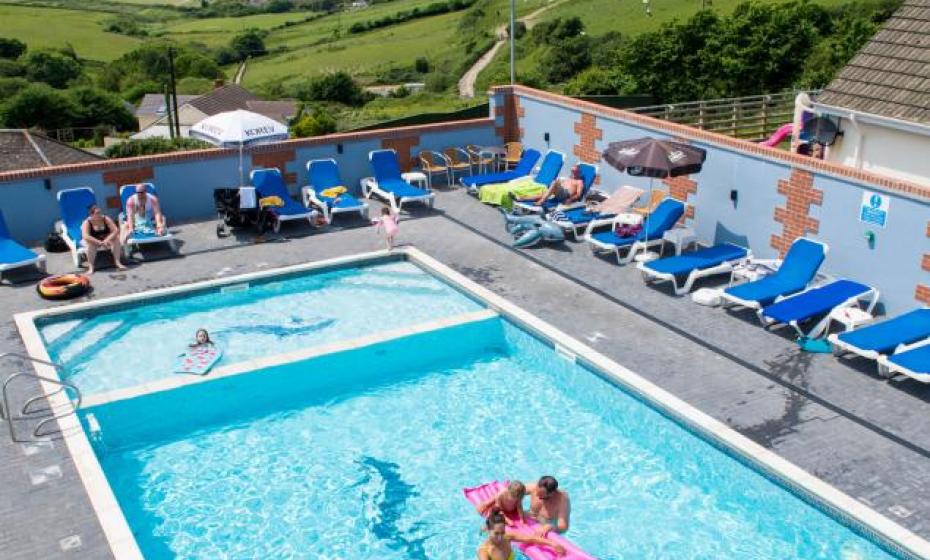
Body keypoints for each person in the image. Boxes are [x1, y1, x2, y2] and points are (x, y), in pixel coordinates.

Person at [477, 509, 565, 560]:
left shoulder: (507, 537)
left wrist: (553, 544)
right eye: (496, 533)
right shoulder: (484, 552)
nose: (500, 537)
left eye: (502, 532)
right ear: (488, 530)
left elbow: (531, 539)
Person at [81, 204, 127, 274]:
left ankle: (117, 262)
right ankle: (91, 266)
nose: (100, 215)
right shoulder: (87, 222)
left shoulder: (106, 219)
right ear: (91, 215)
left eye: (100, 212)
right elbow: (86, 236)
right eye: (97, 213)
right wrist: (99, 242)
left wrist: (106, 240)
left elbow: (115, 230)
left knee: (116, 240)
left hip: (106, 238)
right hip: (93, 240)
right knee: (90, 245)